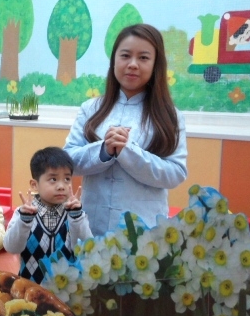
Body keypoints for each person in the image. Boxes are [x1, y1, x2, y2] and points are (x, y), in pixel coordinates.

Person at [64, 23, 188, 237]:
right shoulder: (90, 109)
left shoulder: (170, 116)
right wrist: (103, 151)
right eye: (125, 56)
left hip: (144, 235)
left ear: (156, 65)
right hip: (90, 229)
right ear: (114, 61)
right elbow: (68, 163)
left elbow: (176, 173)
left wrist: (129, 152)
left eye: (143, 58)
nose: (132, 64)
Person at [4, 146, 92, 284]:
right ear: (34, 185)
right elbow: (11, 248)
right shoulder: (24, 214)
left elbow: (86, 249)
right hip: (30, 289)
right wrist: (24, 221)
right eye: (53, 179)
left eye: (67, 179)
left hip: (68, 290)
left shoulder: (76, 213)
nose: (61, 186)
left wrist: (76, 218)